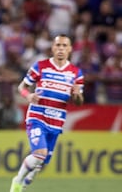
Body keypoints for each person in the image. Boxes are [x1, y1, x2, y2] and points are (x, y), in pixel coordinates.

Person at [9, 34, 84, 192]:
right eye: (58, 45)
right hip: (37, 116)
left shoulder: (76, 73)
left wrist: (77, 95)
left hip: (56, 121)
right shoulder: (40, 66)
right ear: (53, 48)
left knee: (42, 161)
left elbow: (78, 102)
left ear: (70, 49)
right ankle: (17, 181)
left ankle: (28, 178)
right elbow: (21, 87)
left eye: (64, 46)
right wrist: (28, 95)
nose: (61, 49)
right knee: (39, 153)